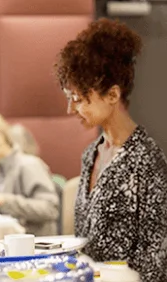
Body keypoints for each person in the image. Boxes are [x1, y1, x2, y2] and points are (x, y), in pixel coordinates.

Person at [54, 18, 167, 281]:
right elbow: (83, 243)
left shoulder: (148, 161)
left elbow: (157, 264)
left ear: (113, 95)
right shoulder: (90, 154)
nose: (71, 109)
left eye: (79, 99)